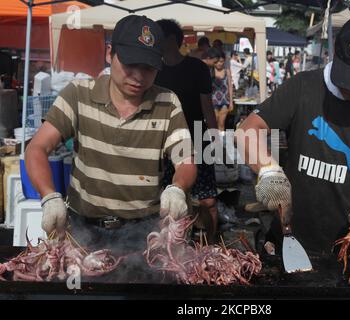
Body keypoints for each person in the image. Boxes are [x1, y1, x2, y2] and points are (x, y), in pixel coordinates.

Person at [236, 15, 350, 253]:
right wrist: (268, 171)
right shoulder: (303, 86)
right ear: (335, 55)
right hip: (291, 232)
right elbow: (248, 130)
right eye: (347, 76)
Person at [25, 15, 197, 251]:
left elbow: (186, 161)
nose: (138, 76)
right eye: (130, 64)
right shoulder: (78, 94)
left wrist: (178, 188)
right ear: (109, 54)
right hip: (83, 229)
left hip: (141, 231)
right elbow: (37, 148)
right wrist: (49, 195)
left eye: (148, 68)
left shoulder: (167, 102)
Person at [155, 19, 219, 243]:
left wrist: (215, 139)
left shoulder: (197, 68)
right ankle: (172, 245)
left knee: (207, 200)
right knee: (169, 198)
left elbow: (207, 107)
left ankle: (210, 243)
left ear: (172, 39)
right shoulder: (154, 70)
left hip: (197, 136)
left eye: (158, 36)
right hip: (164, 141)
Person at [212, 51, 233, 132]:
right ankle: (214, 142)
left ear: (224, 61)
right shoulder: (211, 71)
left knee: (221, 123)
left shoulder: (226, 70)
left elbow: (230, 86)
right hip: (213, 100)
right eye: (217, 62)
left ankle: (220, 143)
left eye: (221, 61)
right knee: (214, 122)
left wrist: (231, 101)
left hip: (225, 100)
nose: (219, 64)